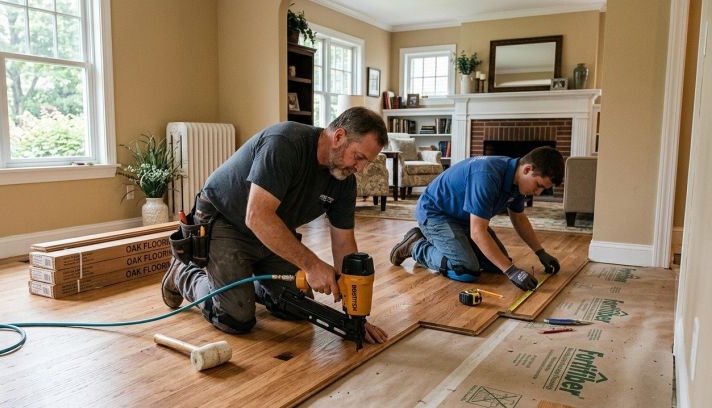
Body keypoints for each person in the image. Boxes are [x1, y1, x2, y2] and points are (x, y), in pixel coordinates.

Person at [161, 107, 389, 344]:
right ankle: (183, 272)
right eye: (359, 157)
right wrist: (312, 265)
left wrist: (355, 317)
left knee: (298, 306)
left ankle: (248, 285)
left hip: (272, 228)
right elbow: (257, 216)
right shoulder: (285, 143)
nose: (360, 169)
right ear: (339, 137)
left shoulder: (343, 181)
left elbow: (343, 242)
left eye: (366, 162)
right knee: (235, 318)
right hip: (227, 220)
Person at [389, 146, 564, 291]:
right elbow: (478, 232)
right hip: (436, 214)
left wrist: (540, 252)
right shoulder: (488, 175)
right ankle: (415, 245)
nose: (537, 193)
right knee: (466, 270)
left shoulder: (518, 184)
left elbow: (519, 218)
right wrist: (511, 272)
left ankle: (458, 249)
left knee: (498, 266)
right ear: (527, 169)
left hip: (465, 219)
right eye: (539, 185)